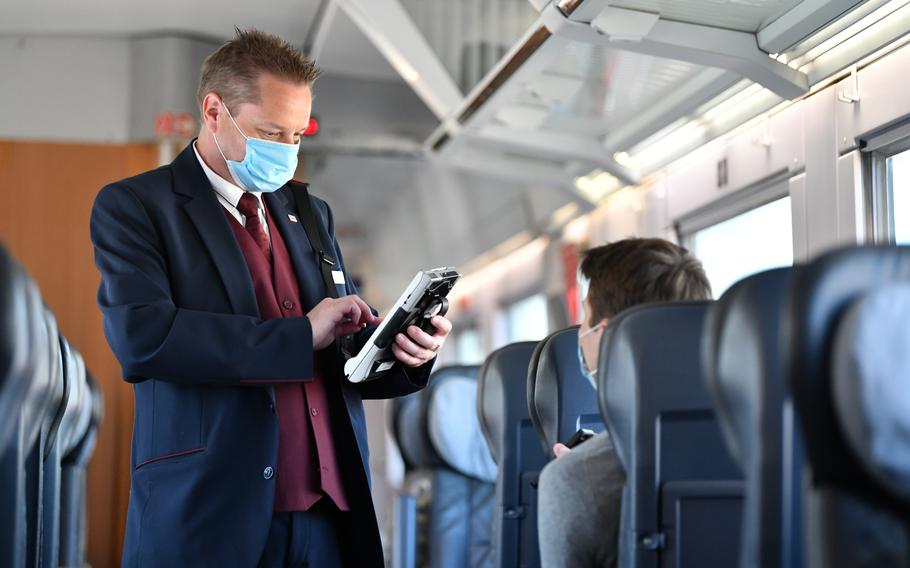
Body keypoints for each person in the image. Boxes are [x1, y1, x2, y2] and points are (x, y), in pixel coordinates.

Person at [89, 28, 451, 567]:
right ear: (214, 112)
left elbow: (339, 357)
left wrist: (402, 351)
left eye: (296, 135)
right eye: (269, 131)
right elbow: (146, 339)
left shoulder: (309, 212)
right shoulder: (137, 207)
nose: (287, 151)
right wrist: (302, 332)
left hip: (329, 514)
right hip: (209, 510)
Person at [537, 238, 711, 567]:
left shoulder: (573, 481)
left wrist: (577, 470)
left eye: (586, 317)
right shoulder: (776, 445)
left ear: (605, 334)